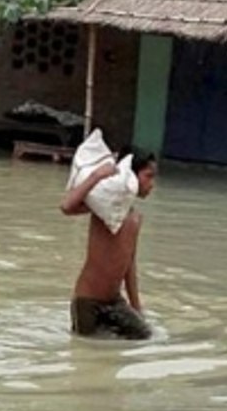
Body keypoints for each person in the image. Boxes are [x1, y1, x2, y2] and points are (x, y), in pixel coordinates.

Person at [60, 145, 157, 340]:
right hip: (87, 301)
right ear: (131, 176)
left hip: (114, 301)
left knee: (145, 336)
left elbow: (129, 264)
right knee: (87, 350)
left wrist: (136, 307)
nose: (152, 184)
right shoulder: (105, 209)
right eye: (148, 176)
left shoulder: (135, 218)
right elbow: (66, 206)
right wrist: (96, 176)